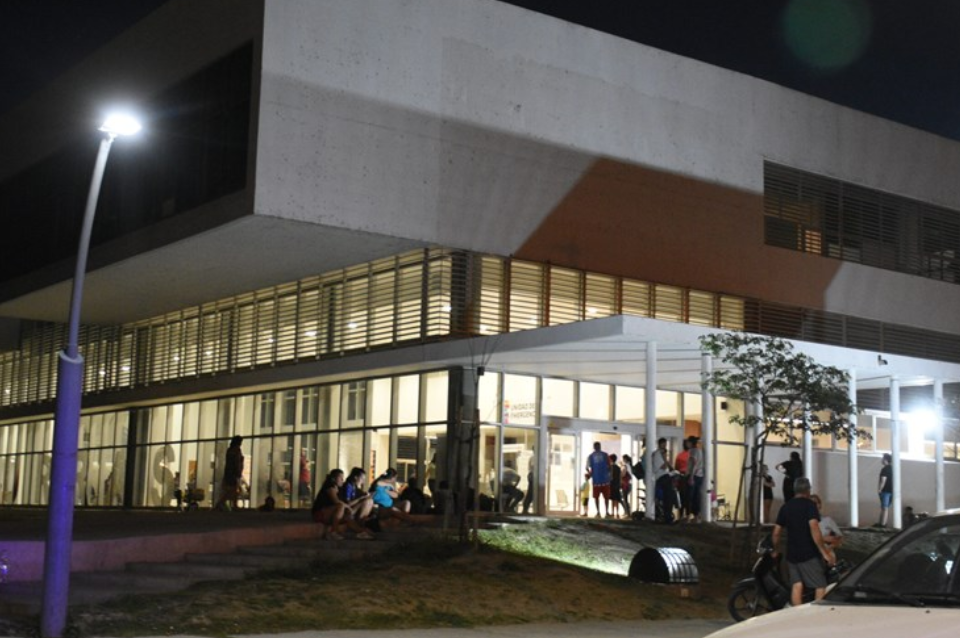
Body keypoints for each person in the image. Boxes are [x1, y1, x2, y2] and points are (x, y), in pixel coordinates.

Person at [771, 477, 836, 606]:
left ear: (794, 490)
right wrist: (824, 552)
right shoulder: (810, 505)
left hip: (791, 554)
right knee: (820, 585)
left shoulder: (785, 507)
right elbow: (814, 528)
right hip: (808, 553)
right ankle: (817, 615)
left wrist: (775, 550)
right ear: (808, 490)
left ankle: (797, 614)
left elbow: (776, 532)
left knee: (797, 585)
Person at [312, 469, 374, 540]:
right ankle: (333, 532)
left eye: (343, 478)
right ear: (333, 479)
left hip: (330, 512)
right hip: (320, 514)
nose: (342, 480)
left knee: (347, 517)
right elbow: (336, 501)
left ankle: (361, 532)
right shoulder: (330, 487)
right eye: (340, 478)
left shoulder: (339, 488)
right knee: (341, 506)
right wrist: (348, 507)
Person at [215, 436, 244, 510]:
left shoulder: (230, 450)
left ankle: (228, 503)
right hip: (233, 473)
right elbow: (236, 462)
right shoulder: (236, 450)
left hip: (230, 473)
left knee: (232, 490)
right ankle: (224, 503)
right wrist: (238, 471)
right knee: (232, 490)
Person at [652, 437, 676, 524]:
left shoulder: (656, 453)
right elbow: (664, 466)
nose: (665, 446)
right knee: (668, 497)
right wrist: (667, 463)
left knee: (665, 498)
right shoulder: (660, 453)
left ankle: (665, 516)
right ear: (660, 444)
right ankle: (667, 518)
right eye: (664, 444)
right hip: (663, 477)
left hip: (660, 477)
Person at [586, 441, 611, 517]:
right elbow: (610, 466)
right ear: (600, 446)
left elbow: (587, 467)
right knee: (606, 497)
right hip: (605, 480)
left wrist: (591, 473)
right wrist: (609, 475)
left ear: (594, 447)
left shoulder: (590, 456)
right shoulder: (605, 455)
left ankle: (598, 512)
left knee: (597, 497)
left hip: (596, 481)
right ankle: (606, 512)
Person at [685, 436, 704, 523]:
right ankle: (697, 516)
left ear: (691, 443)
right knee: (696, 496)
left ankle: (688, 516)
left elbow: (693, 463)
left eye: (687, 442)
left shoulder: (693, 451)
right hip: (700, 475)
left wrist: (691, 476)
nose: (686, 443)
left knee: (689, 496)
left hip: (694, 475)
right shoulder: (700, 451)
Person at [674, 439, 691, 519]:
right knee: (687, 496)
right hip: (686, 477)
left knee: (683, 496)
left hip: (682, 477)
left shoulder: (679, 456)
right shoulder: (690, 455)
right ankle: (686, 515)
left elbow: (676, 467)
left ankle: (682, 515)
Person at [877, 453, 893, 528]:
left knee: (884, 508)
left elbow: (883, 480)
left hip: (885, 491)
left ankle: (882, 524)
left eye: (883, 458)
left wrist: (880, 489)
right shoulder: (893, 468)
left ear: (885, 460)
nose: (882, 460)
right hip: (892, 491)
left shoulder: (885, 469)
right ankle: (881, 523)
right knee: (885, 508)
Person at [609, 454, 622, 518]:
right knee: (616, 499)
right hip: (617, 485)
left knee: (612, 499)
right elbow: (620, 477)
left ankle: (612, 513)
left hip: (612, 485)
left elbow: (610, 477)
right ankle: (617, 513)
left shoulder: (610, 467)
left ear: (611, 459)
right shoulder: (618, 467)